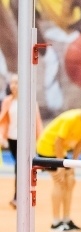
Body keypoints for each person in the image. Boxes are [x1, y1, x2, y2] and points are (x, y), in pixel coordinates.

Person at [36, 97, 81, 232]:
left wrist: (73, 165)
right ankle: (55, 223)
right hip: (47, 148)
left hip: (60, 151)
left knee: (71, 181)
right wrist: (61, 166)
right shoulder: (71, 119)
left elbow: (80, 143)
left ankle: (66, 220)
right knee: (59, 181)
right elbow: (58, 141)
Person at [0, 73, 43, 209]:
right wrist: (2, 136)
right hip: (12, 139)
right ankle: (21, 195)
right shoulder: (7, 101)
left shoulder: (30, 101)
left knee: (20, 166)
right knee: (20, 166)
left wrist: (39, 140)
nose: (14, 85)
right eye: (12, 83)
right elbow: (4, 120)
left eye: (17, 83)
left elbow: (37, 122)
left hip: (25, 140)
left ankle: (18, 197)